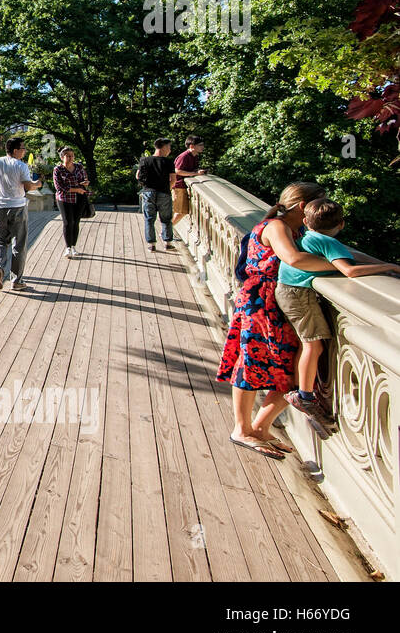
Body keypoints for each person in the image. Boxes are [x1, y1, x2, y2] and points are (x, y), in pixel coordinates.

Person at [217, 181, 339, 459]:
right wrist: (343, 266)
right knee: (251, 363)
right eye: (318, 203)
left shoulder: (294, 229)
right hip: (261, 302)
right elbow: (293, 259)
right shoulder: (276, 227)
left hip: (277, 302)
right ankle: (242, 429)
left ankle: (260, 428)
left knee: (289, 370)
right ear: (302, 206)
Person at [275, 198, 400, 437]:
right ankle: (305, 396)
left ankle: (303, 391)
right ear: (341, 224)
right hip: (298, 296)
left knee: (310, 344)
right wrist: (389, 268)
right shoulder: (328, 242)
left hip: (288, 291)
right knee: (313, 346)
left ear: (305, 221)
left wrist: (383, 264)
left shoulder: (310, 236)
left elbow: (351, 255)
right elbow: (349, 269)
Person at [0, 138, 43, 291]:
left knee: (0, 241)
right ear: (15, 150)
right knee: (18, 244)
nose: (24, 151)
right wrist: (37, 184)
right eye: (23, 148)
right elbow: (27, 186)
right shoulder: (20, 165)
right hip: (16, 206)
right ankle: (16, 281)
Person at [135, 138, 176, 251]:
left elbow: (138, 175)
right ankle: (167, 242)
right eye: (169, 147)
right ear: (163, 147)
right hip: (164, 192)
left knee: (149, 218)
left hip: (148, 192)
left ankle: (151, 244)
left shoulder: (144, 160)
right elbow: (173, 179)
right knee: (166, 218)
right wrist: (168, 189)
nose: (170, 150)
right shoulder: (168, 162)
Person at [52, 147, 90, 259]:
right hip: (64, 199)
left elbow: (84, 179)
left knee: (76, 222)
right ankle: (68, 247)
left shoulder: (79, 167)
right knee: (68, 222)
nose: (70, 158)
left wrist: (85, 183)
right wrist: (76, 189)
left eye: (72, 155)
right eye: (68, 155)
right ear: (62, 157)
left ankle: (73, 246)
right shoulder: (58, 169)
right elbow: (59, 187)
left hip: (80, 198)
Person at [171, 135, 207, 227]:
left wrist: (197, 172)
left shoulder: (194, 156)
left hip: (183, 186)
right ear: (192, 146)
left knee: (181, 211)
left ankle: (167, 232)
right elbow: (177, 171)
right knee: (180, 212)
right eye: (200, 145)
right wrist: (195, 174)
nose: (202, 147)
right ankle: (166, 232)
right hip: (178, 186)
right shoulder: (184, 156)